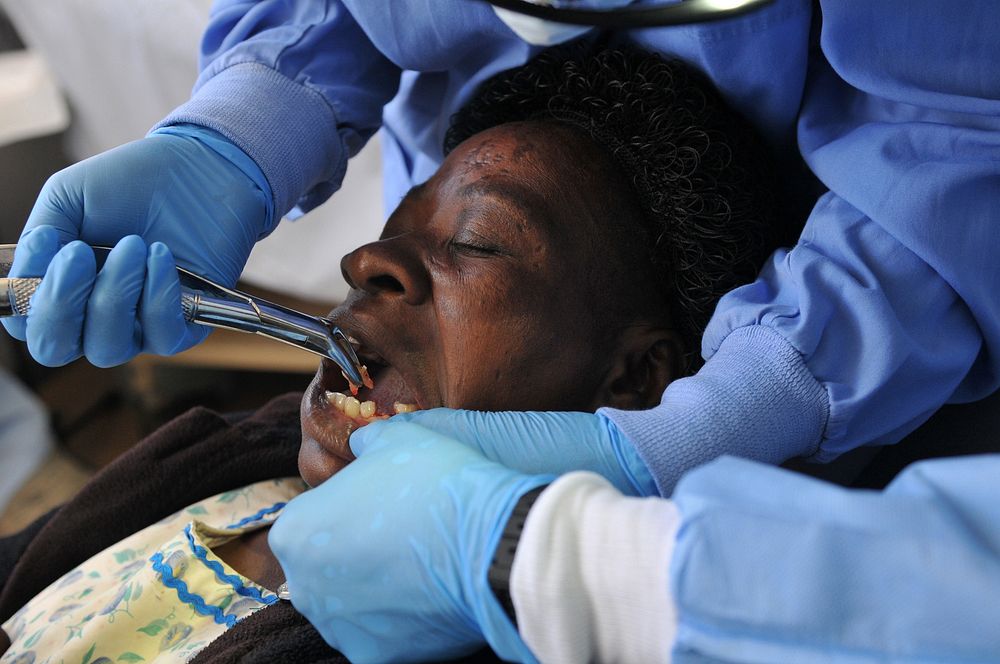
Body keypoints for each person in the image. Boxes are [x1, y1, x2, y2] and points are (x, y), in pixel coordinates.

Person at [5, 0, 1000, 658]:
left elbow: (957, 153)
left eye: (476, 245)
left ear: (640, 381)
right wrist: (237, 132)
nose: (363, 262)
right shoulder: (230, 464)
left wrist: (717, 420)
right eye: (398, 227)